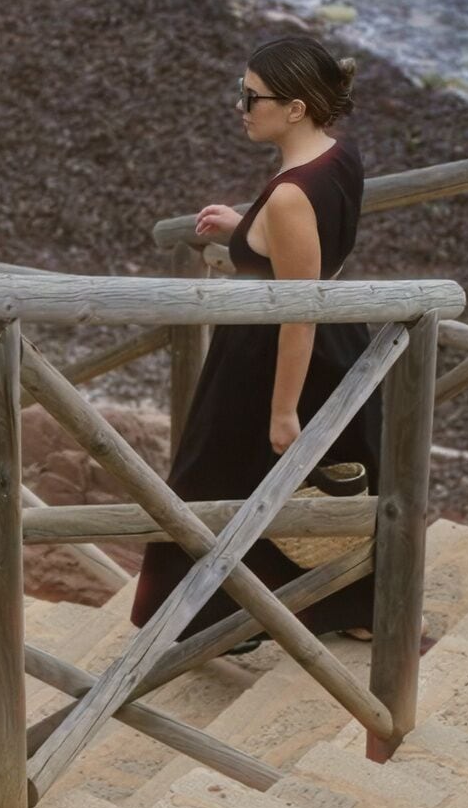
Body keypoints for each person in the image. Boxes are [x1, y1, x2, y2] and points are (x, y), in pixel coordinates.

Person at [135, 34, 376, 640]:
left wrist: (283, 410)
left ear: (295, 108)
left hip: (280, 358)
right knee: (322, 492)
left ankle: (190, 629)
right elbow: (310, 253)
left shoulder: (291, 194)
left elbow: (299, 307)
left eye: (251, 97)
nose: (241, 107)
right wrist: (246, 229)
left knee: (209, 487)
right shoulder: (336, 158)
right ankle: (352, 608)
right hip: (340, 346)